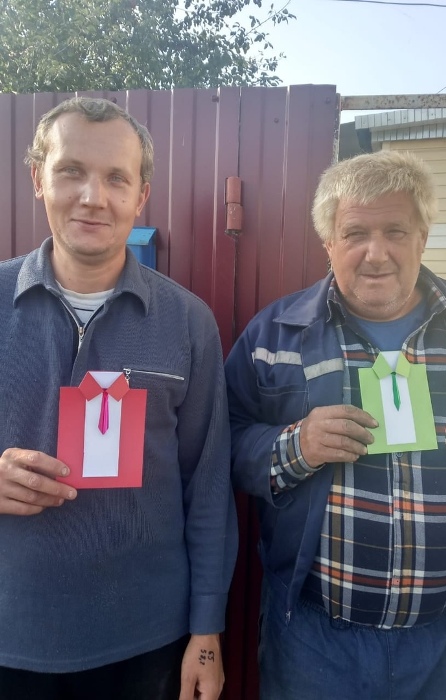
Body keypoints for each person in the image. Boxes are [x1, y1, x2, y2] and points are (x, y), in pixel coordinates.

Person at [225, 150, 446, 699]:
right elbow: (224, 443)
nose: (376, 253)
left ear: (423, 237)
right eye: (356, 233)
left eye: (396, 231)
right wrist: (296, 445)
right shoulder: (275, 336)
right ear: (329, 243)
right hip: (316, 639)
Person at [0, 97, 237, 700]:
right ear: (38, 178)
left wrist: (206, 634)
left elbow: (208, 489)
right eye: (71, 171)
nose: (93, 197)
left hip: (146, 643)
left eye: (116, 178)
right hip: (11, 636)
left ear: (141, 195)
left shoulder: (188, 322)